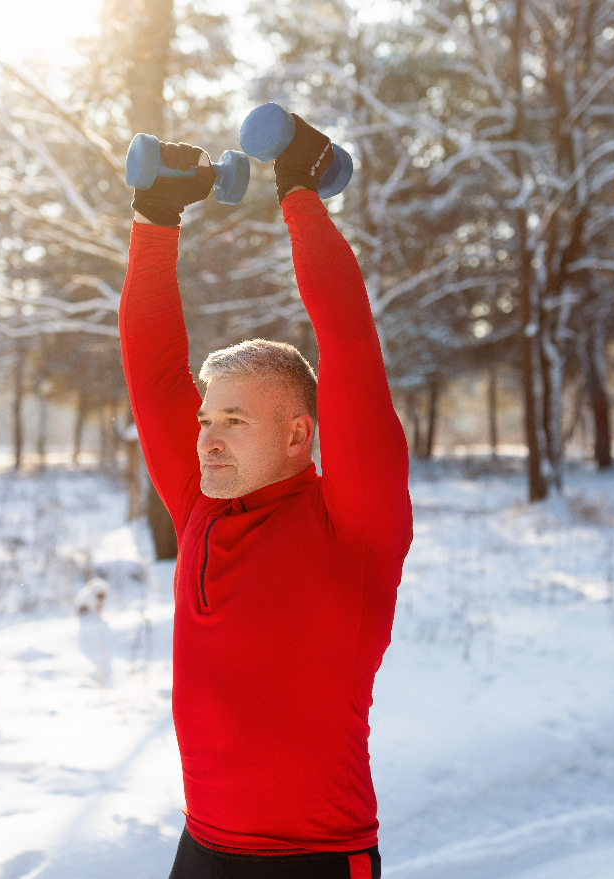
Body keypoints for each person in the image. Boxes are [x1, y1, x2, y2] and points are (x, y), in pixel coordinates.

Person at [119, 112, 413, 879]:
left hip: (315, 859)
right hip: (203, 848)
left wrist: (300, 193)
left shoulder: (353, 523)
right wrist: (156, 217)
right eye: (207, 418)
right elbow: (152, 372)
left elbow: (348, 341)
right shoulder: (202, 506)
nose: (206, 437)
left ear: (297, 434)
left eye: (235, 420)